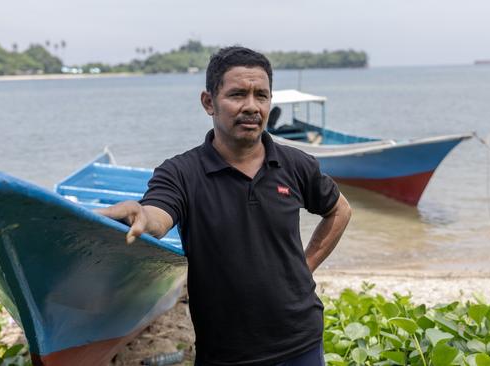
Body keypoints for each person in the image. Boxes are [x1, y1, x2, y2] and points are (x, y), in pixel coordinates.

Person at [97, 46, 352, 366]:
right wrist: (141, 215)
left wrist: (306, 267)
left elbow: (339, 210)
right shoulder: (181, 173)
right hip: (226, 352)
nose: (251, 106)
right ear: (209, 102)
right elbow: (159, 216)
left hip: (300, 341)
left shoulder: (296, 165)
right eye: (237, 94)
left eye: (261, 95)